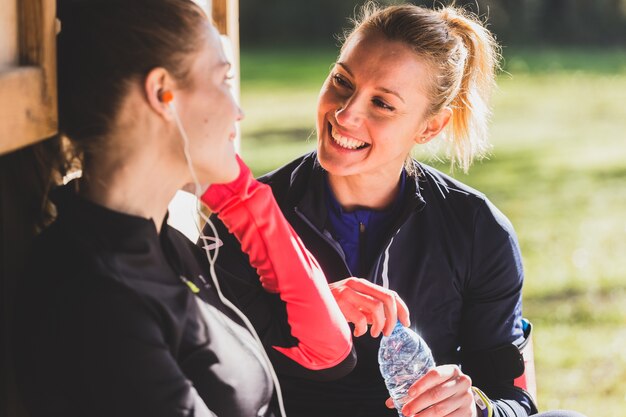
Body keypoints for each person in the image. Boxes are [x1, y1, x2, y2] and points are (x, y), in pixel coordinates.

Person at [205, 3, 589, 417]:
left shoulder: (479, 230)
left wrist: (476, 407)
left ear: (430, 127)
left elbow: (514, 398)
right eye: (341, 81)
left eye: (382, 104)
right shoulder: (251, 214)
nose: (345, 112)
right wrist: (311, 309)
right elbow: (209, 359)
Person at [13, 1, 356, 416]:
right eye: (223, 79)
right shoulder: (99, 296)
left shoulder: (166, 245)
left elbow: (327, 350)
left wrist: (243, 197)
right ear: (162, 94)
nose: (239, 110)